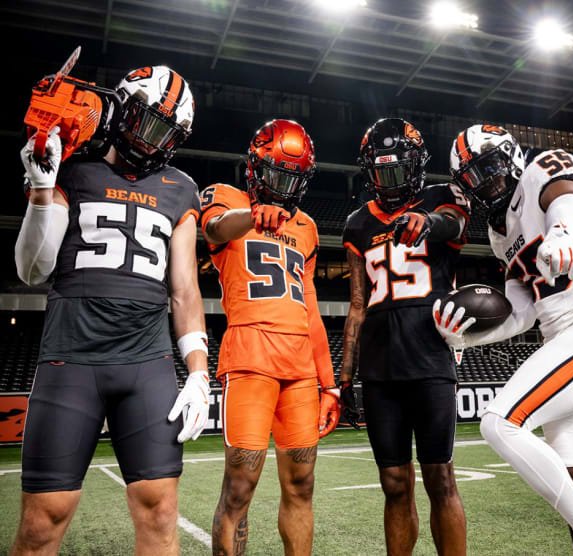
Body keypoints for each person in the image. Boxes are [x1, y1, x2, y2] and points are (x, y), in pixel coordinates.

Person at [11, 66, 209, 556]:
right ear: (122, 109)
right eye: (146, 122)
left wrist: (201, 373)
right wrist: (41, 190)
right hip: (71, 359)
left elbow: (184, 290)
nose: (151, 139)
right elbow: (33, 270)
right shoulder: (74, 167)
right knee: (42, 522)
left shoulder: (180, 188)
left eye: (165, 131)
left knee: (161, 511)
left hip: (147, 361)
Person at [434, 123, 573, 556]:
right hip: (563, 341)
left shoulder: (541, 171)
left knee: (499, 422)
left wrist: (562, 231)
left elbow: (565, 192)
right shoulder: (498, 232)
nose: (485, 181)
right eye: (473, 176)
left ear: (510, 156)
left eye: (489, 167)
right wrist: (467, 339)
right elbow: (522, 310)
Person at [200, 119, 340, 556]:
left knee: (302, 484)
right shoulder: (227, 197)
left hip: (300, 367)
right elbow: (214, 229)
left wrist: (329, 382)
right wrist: (250, 217)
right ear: (255, 168)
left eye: (291, 178)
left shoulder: (308, 227)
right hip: (250, 357)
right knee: (240, 486)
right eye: (275, 174)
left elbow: (311, 307)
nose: (282, 187)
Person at [340, 118, 469, 556]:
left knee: (440, 476)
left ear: (416, 166)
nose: (390, 181)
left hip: (430, 357)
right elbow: (357, 304)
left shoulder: (439, 199)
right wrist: (345, 376)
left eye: (398, 170)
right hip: (379, 366)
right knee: (394, 482)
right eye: (382, 172)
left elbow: (453, 224)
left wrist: (428, 222)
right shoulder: (359, 223)